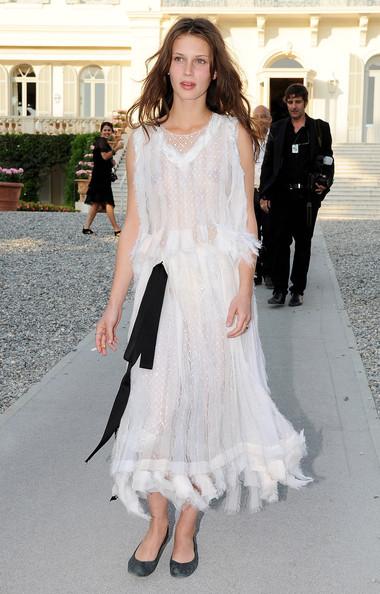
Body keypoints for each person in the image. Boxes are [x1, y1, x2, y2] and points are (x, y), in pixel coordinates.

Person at [87, 18, 311, 579]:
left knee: (206, 402)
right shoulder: (143, 140)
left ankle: (186, 524)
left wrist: (242, 288)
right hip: (160, 292)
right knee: (157, 405)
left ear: (215, 71)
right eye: (180, 59)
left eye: (200, 61)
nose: (189, 72)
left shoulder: (232, 133)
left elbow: (243, 220)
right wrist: (114, 304)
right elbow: (134, 225)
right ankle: (157, 522)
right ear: (167, 65)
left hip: (216, 292)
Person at [260, 84, 334, 306]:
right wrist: (264, 193)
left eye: (298, 102)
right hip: (282, 196)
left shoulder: (319, 129)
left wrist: (326, 182)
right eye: (290, 102)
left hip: (307, 199)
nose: (293, 106)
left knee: (303, 245)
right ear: (286, 102)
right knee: (279, 244)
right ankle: (280, 290)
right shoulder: (278, 128)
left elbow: (328, 159)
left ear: (305, 102)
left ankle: (297, 290)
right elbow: (268, 163)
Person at [83, 121, 124, 236]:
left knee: (96, 204)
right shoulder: (101, 141)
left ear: (111, 132)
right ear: (101, 131)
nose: (107, 132)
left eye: (109, 130)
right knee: (109, 203)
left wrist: (112, 160)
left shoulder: (103, 142)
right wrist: (117, 148)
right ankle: (116, 229)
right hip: (100, 178)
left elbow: (106, 159)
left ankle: (86, 227)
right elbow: (105, 156)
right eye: (105, 130)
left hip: (100, 177)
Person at [252, 105, 274, 288]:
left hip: (268, 192)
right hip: (251, 192)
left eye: (263, 116)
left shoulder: (274, 140)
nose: (260, 120)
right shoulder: (247, 140)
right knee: (252, 233)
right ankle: (255, 270)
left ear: (270, 119)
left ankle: (268, 271)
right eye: (256, 116)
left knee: (269, 233)